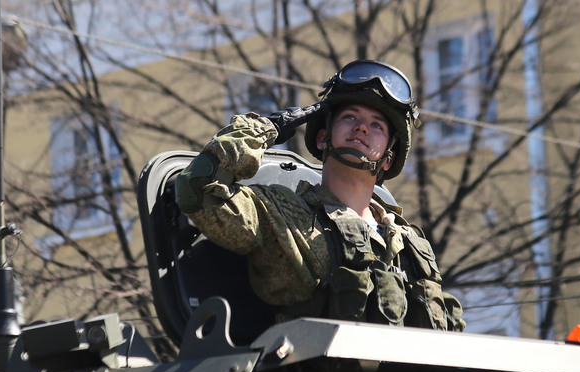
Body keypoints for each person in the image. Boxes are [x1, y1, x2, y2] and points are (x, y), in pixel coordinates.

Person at [174, 60, 464, 331]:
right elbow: (197, 190)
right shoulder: (281, 214)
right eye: (349, 117)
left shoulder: (408, 243)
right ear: (323, 137)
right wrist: (266, 128)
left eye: (377, 125)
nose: (362, 127)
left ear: (388, 158)